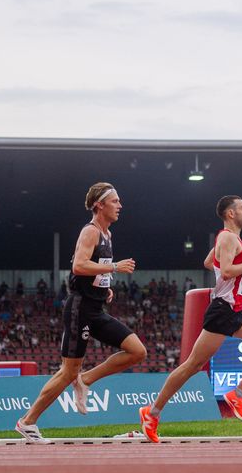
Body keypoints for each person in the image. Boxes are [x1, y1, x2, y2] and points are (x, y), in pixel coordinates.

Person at [139, 195, 242, 443]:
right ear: (230, 213)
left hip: (234, 310)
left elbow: (210, 262)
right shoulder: (228, 237)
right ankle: (151, 412)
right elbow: (226, 271)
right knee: (192, 366)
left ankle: (238, 395)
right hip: (223, 311)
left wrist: (235, 263)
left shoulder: (229, 238)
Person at [13, 183, 146, 443]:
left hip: (95, 307)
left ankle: (85, 379)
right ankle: (27, 422)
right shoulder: (91, 231)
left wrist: (104, 287)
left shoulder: (108, 234)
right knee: (67, 372)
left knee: (137, 351)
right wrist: (115, 268)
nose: (120, 206)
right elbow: (79, 266)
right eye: (115, 201)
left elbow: (96, 269)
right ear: (99, 204)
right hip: (80, 309)